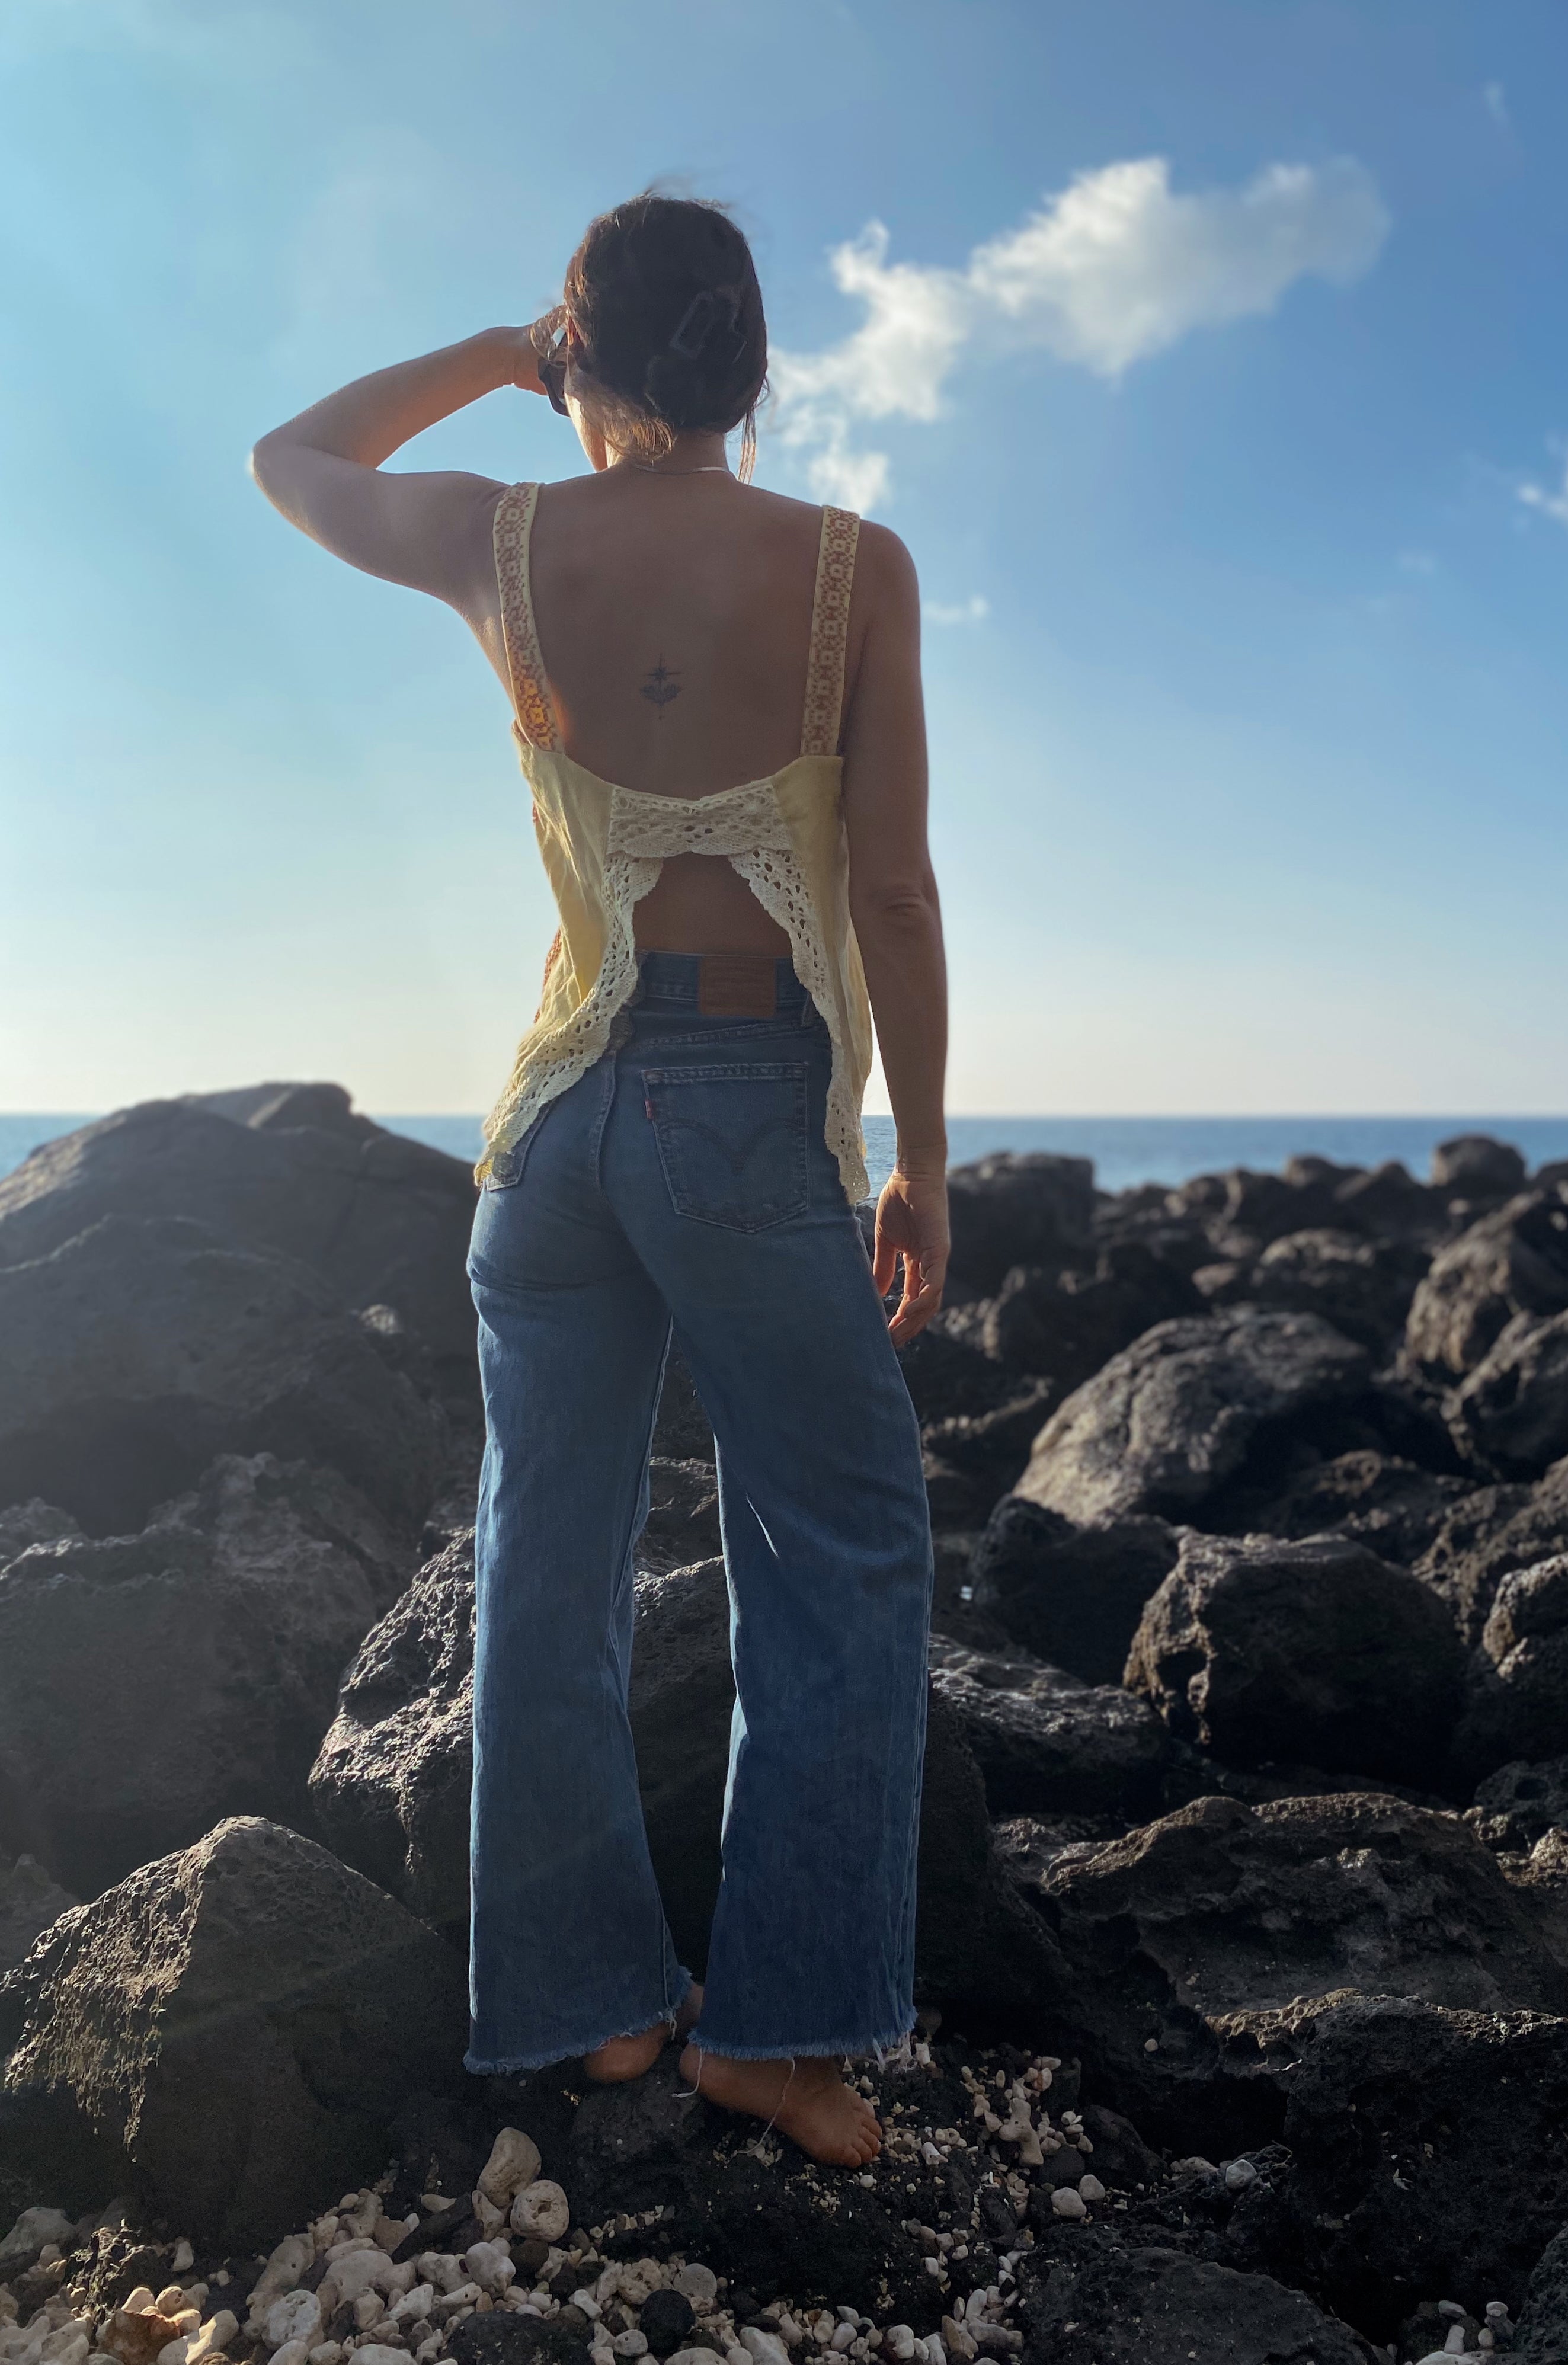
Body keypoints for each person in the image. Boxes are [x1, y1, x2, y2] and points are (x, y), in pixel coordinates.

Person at [252, 192, 948, 2168]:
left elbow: (287, 458)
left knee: (539, 1564)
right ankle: (779, 2034)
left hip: (550, 1131)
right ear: (752, 363)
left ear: (588, 353)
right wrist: (924, 1157)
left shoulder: (497, 538)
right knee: (841, 1543)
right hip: (741, 1117)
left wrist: (494, 356)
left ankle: (594, 2009)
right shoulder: (849, 570)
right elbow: (888, 892)